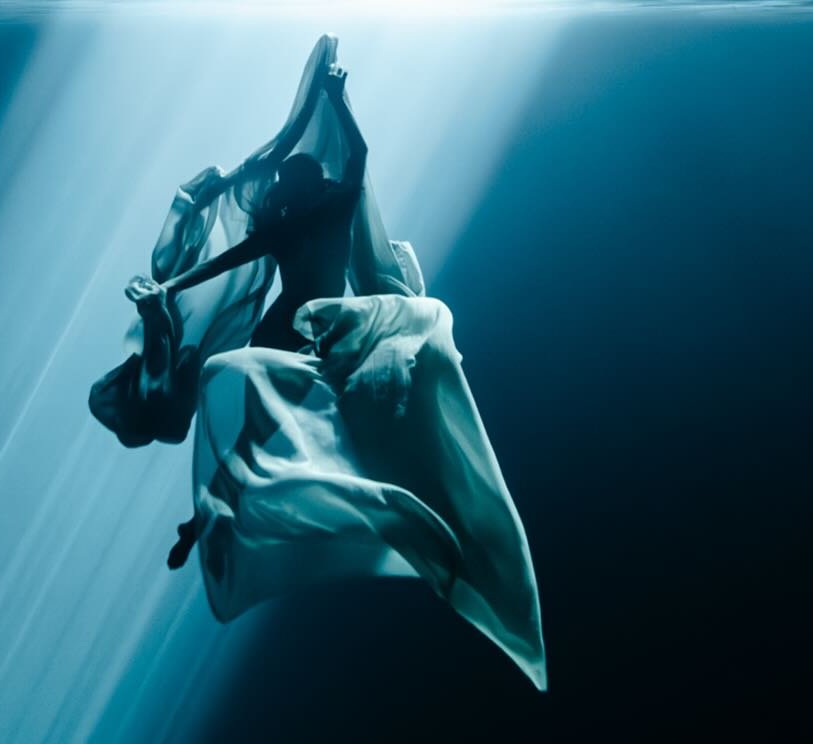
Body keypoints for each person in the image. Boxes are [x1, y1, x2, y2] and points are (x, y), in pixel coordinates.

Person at [89, 36, 547, 686]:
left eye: (285, 178)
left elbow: (325, 176)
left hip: (307, 329)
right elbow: (262, 231)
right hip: (306, 329)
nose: (281, 179)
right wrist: (334, 99)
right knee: (257, 425)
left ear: (295, 186)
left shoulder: (311, 210)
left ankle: (205, 519)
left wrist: (331, 99)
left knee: (259, 429)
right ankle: (206, 519)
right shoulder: (318, 208)